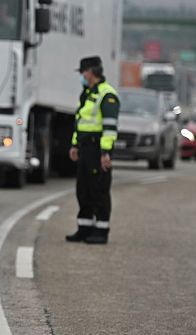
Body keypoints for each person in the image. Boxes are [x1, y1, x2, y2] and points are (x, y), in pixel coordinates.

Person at [66, 56, 120, 245]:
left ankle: (101, 230)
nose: (82, 75)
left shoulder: (107, 95)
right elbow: (80, 122)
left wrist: (106, 152)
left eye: (83, 71)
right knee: (84, 189)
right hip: (85, 147)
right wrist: (75, 145)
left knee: (99, 190)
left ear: (91, 72)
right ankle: (85, 228)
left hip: (98, 149)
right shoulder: (88, 93)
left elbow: (110, 127)